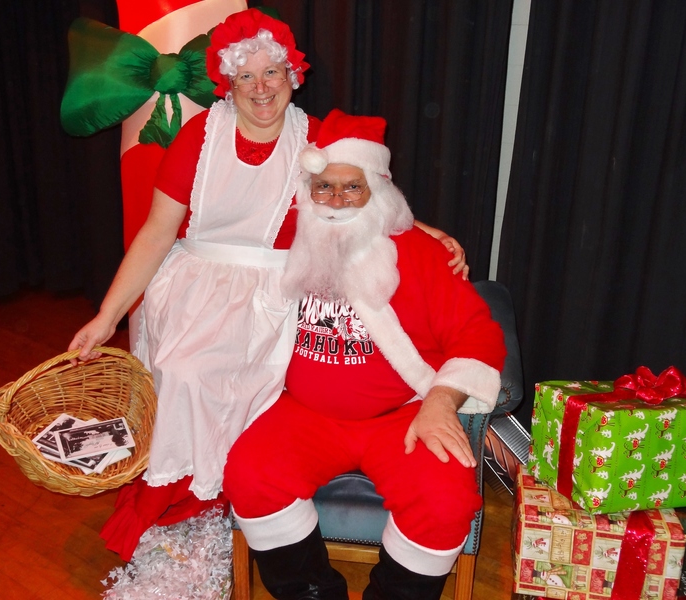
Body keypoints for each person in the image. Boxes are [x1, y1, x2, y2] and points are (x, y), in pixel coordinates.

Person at [68, 9, 466, 561]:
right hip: (195, 290)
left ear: (292, 75)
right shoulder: (198, 137)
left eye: (272, 74)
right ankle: (178, 498)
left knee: (264, 394)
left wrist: (424, 230)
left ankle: (232, 503)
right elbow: (157, 233)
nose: (261, 89)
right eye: (246, 76)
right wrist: (106, 316)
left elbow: (364, 191)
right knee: (188, 374)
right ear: (228, 82)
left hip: (277, 294)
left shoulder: (317, 137)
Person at [223, 110, 507, 600]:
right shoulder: (284, 242)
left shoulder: (421, 253)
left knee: (444, 501)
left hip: (401, 416)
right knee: (250, 474)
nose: (335, 201)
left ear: (377, 189)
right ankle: (311, 592)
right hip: (302, 412)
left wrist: (441, 402)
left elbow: (477, 335)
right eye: (323, 187)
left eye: (351, 188)